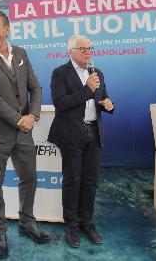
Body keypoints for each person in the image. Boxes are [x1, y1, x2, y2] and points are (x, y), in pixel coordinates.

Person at [0, 10, 50, 258]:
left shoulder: (20, 53)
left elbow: (35, 86)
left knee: (29, 177)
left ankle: (27, 222)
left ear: (7, 29)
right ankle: (0, 231)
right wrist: (21, 120)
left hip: (24, 132)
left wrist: (34, 116)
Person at [48, 35, 114, 248]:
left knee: (90, 181)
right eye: (83, 49)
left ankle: (86, 222)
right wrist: (87, 90)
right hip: (70, 134)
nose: (88, 52)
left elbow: (101, 98)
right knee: (72, 181)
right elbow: (61, 104)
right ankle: (72, 226)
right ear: (71, 52)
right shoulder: (60, 73)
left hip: (93, 133)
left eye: (90, 48)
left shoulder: (97, 73)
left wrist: (107, 104)